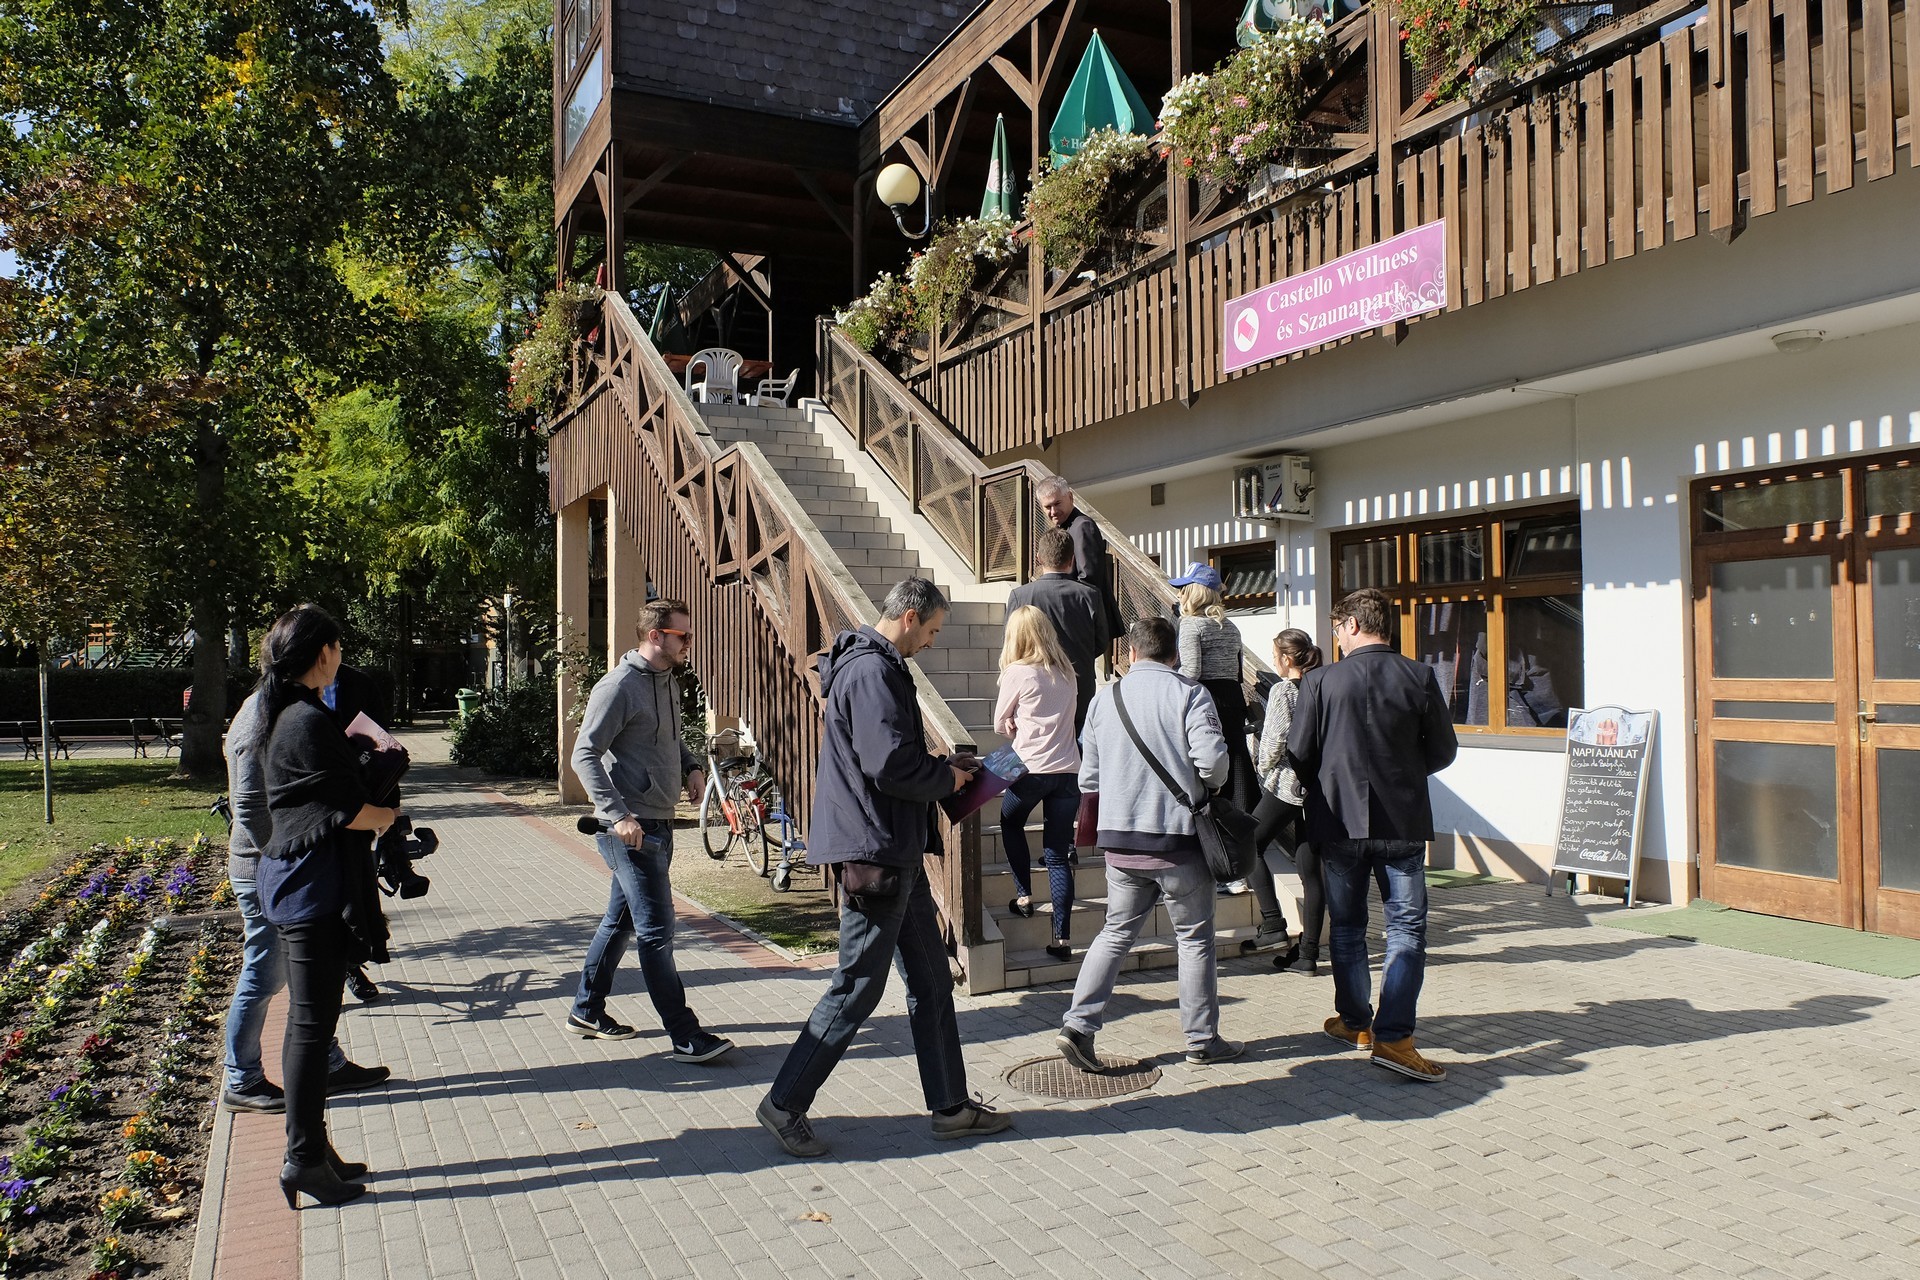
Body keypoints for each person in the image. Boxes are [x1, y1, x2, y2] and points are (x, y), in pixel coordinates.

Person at [758, 578, 1014, 1158]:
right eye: (932, 630)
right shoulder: (872, 670)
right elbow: (888, 764)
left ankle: (950, 1107)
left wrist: (944, 766)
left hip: (892, 850)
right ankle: (783, 1103)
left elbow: (890, 755)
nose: (932, 642)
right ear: (910, 617)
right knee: (857, 986)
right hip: (876, 854)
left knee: (931, 981)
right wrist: (945, 778)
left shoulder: (873, 666)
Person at [1287, 588, 1459, 1083]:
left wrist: (1326, 782)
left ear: (1354, 625)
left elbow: (1298, 751)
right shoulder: (1419, 675)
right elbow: (1444, 750)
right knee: (1406, 929)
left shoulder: (1319, 680)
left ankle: (1356, 1022)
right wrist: (1403, 774)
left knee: (1347, 927)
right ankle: (1394, 1037)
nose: (1336, 639)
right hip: (1401, 818)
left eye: (1338, 629)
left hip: (1338, 818)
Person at [1055, 616, 1241, 1072]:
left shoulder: (1104, 698)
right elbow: (1214, 763)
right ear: (1175, 654)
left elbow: (1089, 777)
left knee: (1115, 932)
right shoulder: (1190, 694)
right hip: (1179, 839)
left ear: (1131, 653)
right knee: (1193, 940)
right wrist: (1208, 787)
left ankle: (1078, 1025)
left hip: (1121, 840)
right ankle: (1202, 1040)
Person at [256, 605, 394, 1208]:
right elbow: (347, 811)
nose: (342, 656)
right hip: (310, 889)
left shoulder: (289, 712)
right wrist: (387, 814)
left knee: (312, 1026)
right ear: (322, 654)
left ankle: (314, 1149)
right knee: (311, 1030)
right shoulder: (305, 720)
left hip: (305, 884)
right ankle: (304, 1159)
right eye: (337, 647)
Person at [567, 599, 734, 1064]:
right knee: (657, 931)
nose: (689, 643)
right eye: (683, 636)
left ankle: (585, 1010)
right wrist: (618, 814)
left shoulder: (668, 681)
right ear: (656, 636)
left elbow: (670, 738)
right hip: (630, 829)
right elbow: (584, 754)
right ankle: (684, 1035)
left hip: (657, 821)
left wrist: (691, 766)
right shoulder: (618, 686)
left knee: (619, 922)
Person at [221, 673, 390, 1116]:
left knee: (307, 979)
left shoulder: (278, 709)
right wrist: (281, 856)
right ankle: (241, 1079)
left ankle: (327, 1064)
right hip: (266, 869)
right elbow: (249, 806)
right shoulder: (259, 716)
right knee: (265, 975)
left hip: (287, 867)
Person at [993, 606, 1081, 961]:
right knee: (1058, 855)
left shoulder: (1017, 672)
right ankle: (1062, 940)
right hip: (1068, 772)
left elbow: (1000, 723)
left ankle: (1024, 895)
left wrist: (1013, 724)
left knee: (1010, 822)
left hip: (1030, 770)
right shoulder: (1067, 672)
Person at [1170, 567, 1260, 891]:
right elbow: (1236, 670)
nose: (1180, 594)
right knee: (1236, 775)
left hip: (1205, 702)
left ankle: (1214, 862)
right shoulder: (1231, 626)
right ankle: (1237, 866)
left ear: (1193, 593)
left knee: (1205, 780)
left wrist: (1169, 685)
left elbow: (1192, 670)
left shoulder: (1190, 625)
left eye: (1183, 588)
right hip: (1232, 700)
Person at [1251, 629, 1324, 970]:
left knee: (1248, 845)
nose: (1274, 661)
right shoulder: (1319, 685)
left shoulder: (1283, 691)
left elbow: (1273, 741)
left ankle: (1272, 924)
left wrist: (1262, 768)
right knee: (1311, 869)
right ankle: (1308, 954)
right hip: (1318, 787)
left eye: (1275, 655)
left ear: (1286, 658)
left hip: (1287, 784)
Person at [1004, 527, 1111, 733]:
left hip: (1034, 688)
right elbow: (1100, 642)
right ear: (1072, 560)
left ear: (1038, 558)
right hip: (1080, 687)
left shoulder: (1020, 596)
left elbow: (1010, 645)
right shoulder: (1090, 595)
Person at [1036, 476, 1124, 644]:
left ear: (1070, 497)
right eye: (1047, 507)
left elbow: (1088, 578)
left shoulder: (1082, 526)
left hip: (1086, 621)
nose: (1053, 511)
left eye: (1057, 503)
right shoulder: (1066, 527)